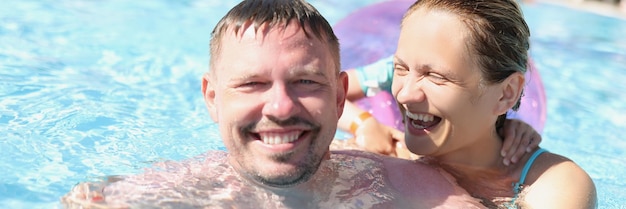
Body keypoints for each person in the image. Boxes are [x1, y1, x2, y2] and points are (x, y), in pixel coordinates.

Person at [61, 0, 488, 208]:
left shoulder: (417, 193)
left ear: (341, 96)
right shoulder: (158, 195)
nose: (280, 107)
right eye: (251, 84)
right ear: (212, 98)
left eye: (305, 81)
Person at [390, 0, 597, 208]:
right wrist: (360, 122)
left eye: (435, 76)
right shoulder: (389, 150)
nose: (405, 95)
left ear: (506, 94)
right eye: (401, 68)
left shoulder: (553, 185)